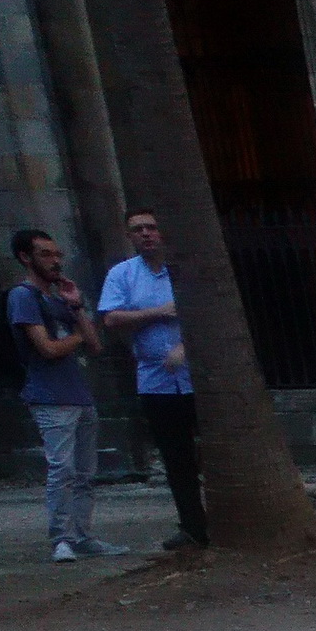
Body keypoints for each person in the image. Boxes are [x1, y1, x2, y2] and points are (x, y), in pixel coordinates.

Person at [5, 227, 115, 562]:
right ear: (26, 257)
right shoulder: (23, 297)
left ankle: (82, 535)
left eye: (57, 254)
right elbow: (48, 348)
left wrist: (78, 307)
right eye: (45, 254)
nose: (55, 261)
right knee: (62, 470)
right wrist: (81, 334)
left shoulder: (57, 300)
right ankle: (61, 539)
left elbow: (97, 345)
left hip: (78, 395)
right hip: (50, 397)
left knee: (84, 473)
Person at [97, 211, 205, 549]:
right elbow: (111, 317)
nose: (146, 234)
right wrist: (158, 312)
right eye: (137, 229)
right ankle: (193, 527)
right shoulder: (122, 274)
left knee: (214, 454)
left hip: (199, 380)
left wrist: (186, 347)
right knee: (177, 459)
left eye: (151, 228)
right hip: (155, 381)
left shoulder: (185, 268)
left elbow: (208, 315)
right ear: (128, 236)